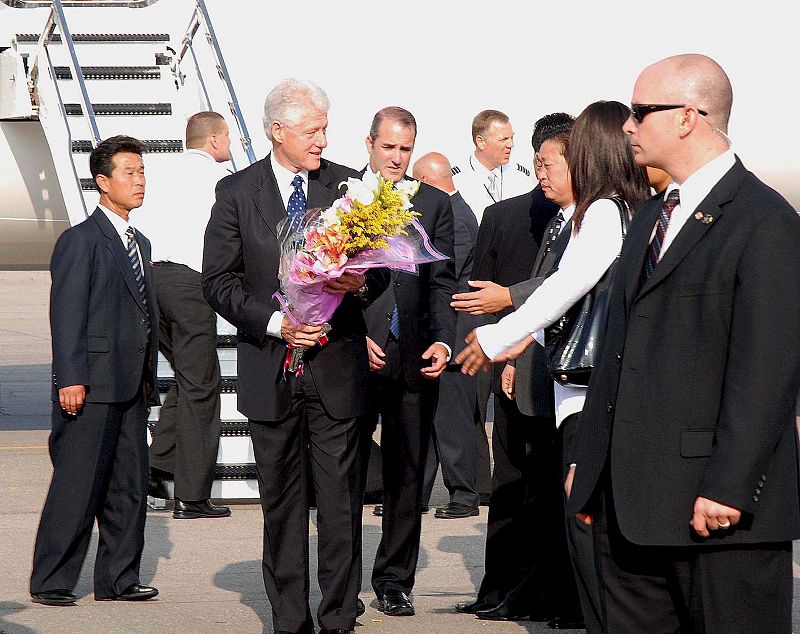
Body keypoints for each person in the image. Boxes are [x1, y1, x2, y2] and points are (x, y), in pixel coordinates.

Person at [566, 54, 800, 634]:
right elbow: (619, 349)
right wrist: (589, 465)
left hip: (718, 516)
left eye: (640, 112)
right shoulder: (650, 216)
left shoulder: (764, 221)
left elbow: (767, 371)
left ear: (688, 117)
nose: (627, 125)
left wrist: (729, 487)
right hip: (630, 509)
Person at [202, 78, 389, 634]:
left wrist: (359, 283)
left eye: (325, 129)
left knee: (340, 506)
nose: (322, 141)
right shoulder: (237, 192)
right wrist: (277, 323)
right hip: (271, 369)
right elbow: (219, 281)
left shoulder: (350, 187)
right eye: (312, 131)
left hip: (336, 371)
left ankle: (339, 618)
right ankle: (289, 620)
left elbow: (381, 272)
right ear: (277, 131)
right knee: (281, 508)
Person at [457, 102, 649, 631]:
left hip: (586, 389)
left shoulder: (605, 210)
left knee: (583, 514)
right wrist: (523, 340)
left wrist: (498, 335)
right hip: (595, 383)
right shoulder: (632, 207)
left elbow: (568, 285)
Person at [453, 113, 582, 627]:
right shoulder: (527, 220)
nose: (542, 174)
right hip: (516, 367)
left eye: (551, 164)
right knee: (519, 484)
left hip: (557, 374)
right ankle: (514, 589)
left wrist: (509, 324)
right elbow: (476, 291)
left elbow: (560, 290)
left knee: (550, 488)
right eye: (538, 163)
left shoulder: (592, 221)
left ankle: (552, 595)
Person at [30, 135, 160, 606]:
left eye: (142, 172)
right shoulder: (80, 240)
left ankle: (119, 579)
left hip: (131, 385)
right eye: (129, 172)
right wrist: (70, 377)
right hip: (91, 385)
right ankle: (51, 580)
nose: (139, 180)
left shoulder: (139, 242)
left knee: (129, 487)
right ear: (103, 183)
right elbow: (67, 314)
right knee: (78, 486)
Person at [359, 107, 456, 617]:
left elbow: (442, 282)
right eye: (389, 147)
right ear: (370, 144)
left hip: (414, 353)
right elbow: (322, 279)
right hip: (355, 353)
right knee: (344, 470)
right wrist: (353, 335)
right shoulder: (343, 197)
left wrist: (443, 341)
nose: (397, 158)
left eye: (405, 149)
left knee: (407, 471)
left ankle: (395, 579)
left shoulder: (434, 204)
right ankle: (340, 579)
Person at [147, 111, 232, 519]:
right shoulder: (221, 179)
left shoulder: (158, 173)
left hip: (151, 282)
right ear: (213, 140)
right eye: (227, 136)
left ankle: (156, 466)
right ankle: (192, 495)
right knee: (202, 387)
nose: (230, 144)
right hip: (189, 286)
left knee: (188, 377)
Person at [412, 151, 481, 519]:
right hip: (445, 331)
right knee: (431, 420)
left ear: (426, 181)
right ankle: (418, 494)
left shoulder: (454, 216)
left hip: (455, 332)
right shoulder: (455, 211)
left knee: (453, 422)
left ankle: (464, 496)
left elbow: (447, 278)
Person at [451, 109, 532, 224]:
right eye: (503, 139)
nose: (511, 144)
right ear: (480, 142)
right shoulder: (457, 180)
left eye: (511, 138)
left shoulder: (520, 176)